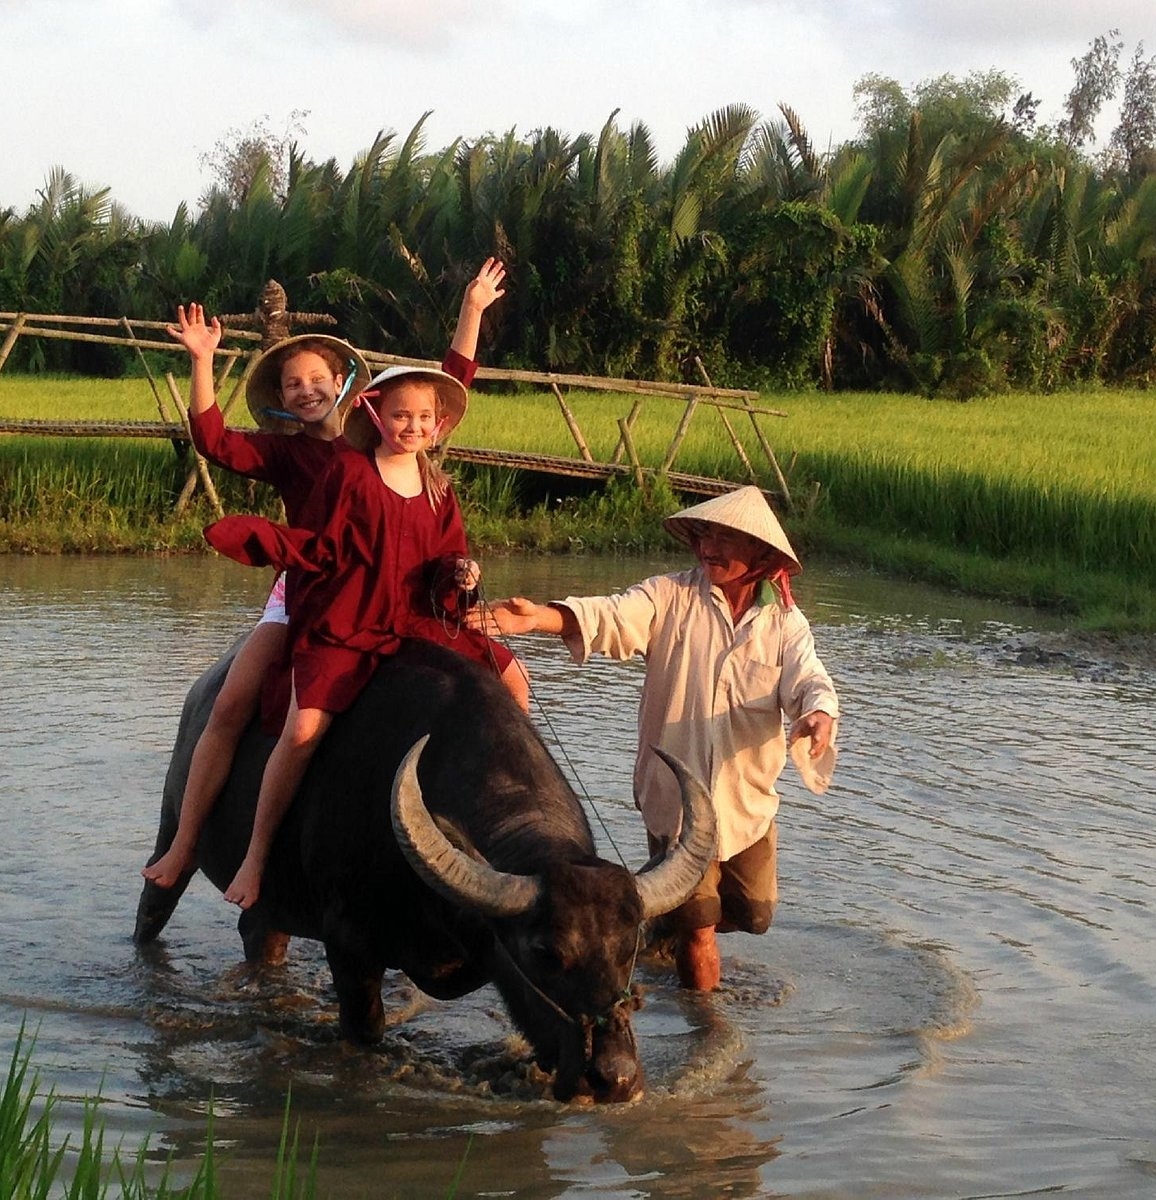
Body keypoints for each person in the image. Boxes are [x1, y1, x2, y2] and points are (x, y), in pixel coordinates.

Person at [141, 258, 507, 891]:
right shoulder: (287, 452)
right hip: (311, 590)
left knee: (496, 681)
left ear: (344, 385)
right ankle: (188, 841)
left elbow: (444, 389)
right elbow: (215, 441)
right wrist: (203, 359)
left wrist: (472, 310)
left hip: (394, 592)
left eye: (318, 378)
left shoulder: (385, 440)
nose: (306, 390)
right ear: (281, 399)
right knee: (230, 704)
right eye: (292, 384)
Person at [469, 485, 839, 992]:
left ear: (760, 554)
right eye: (707, 534)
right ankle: (705, 1030)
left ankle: (657, 917)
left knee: (753, 915)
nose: (711, 546)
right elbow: (610, 615)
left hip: (746, 803)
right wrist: (538, 617)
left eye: (727, 538)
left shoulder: (784, 624)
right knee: (701, 935)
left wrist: (818, 715)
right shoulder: (671, 597)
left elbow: (808, 680)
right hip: (677, 801)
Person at [204, 361, 527, 910]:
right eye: (402, 415)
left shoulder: (438, 487)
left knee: (513, 677)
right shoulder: (350, 473)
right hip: (352, 620)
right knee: (303, 729)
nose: (413, 426)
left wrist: (462, 574)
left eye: (424, 417)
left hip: (417, 620)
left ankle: (510, 811)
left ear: (439, 424)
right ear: (375, 414)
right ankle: (256, 855)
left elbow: (447, 558)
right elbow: (324, 547)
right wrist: (267, 539)